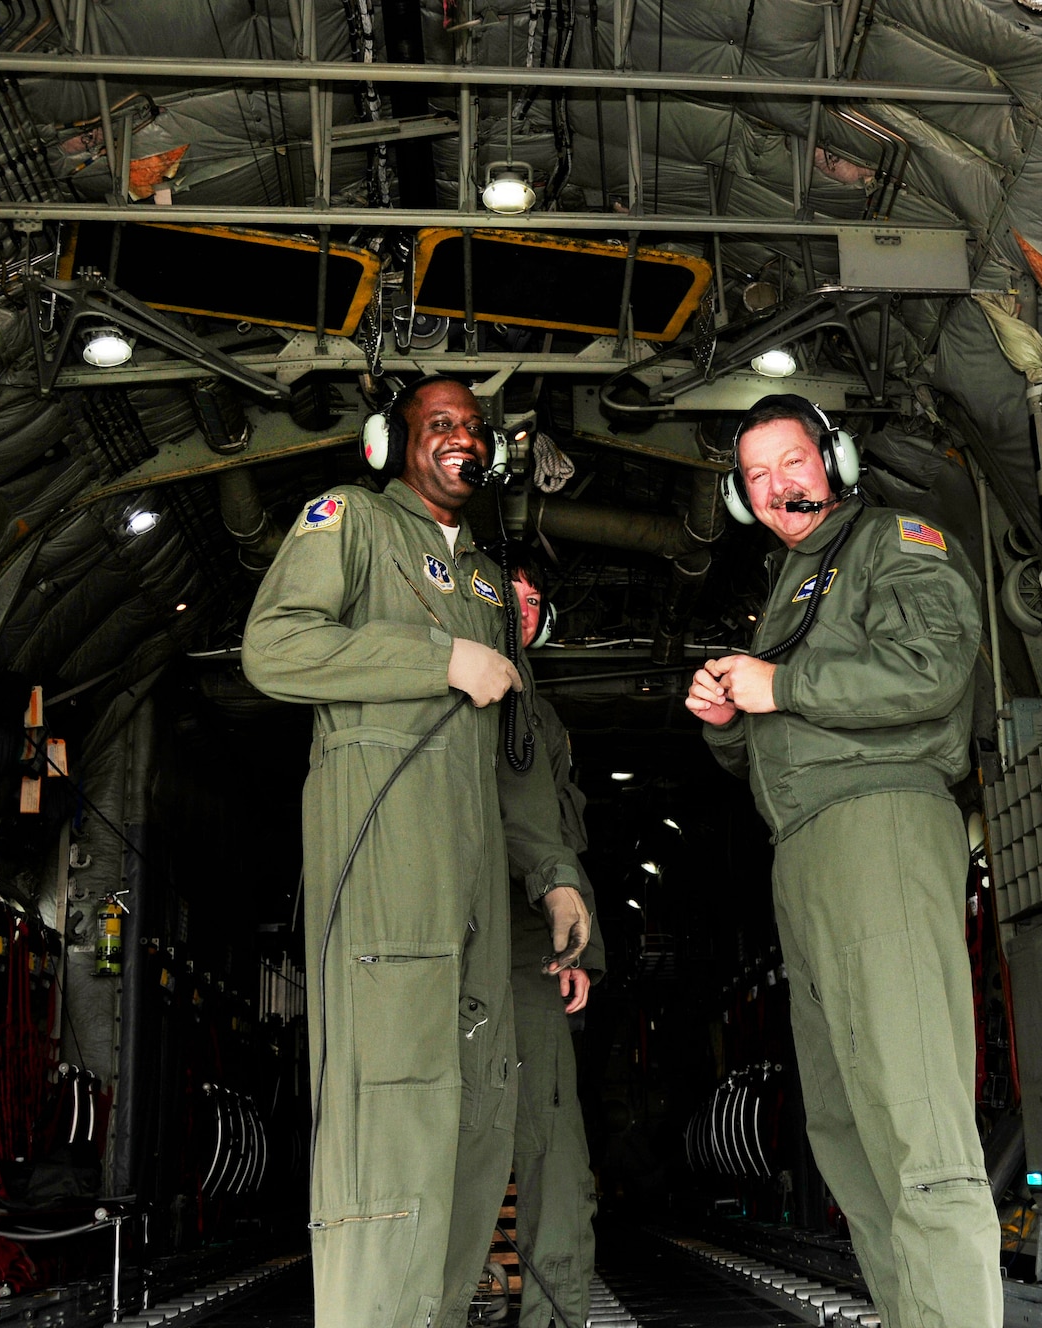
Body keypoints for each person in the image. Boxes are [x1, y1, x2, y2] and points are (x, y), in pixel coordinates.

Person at [242, 376, 591, 1328]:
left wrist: (555, 876)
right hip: (389, 879)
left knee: (475, 1134)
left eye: (474, 428)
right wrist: (435, 661)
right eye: (440, 424)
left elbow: (514, 761)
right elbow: (272, 649)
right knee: (388, 1134)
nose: (461, 439)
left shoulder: (485, 581)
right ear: (389, 442)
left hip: (479, 894)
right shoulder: (351, 521)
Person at [686, 394, 999, 1328]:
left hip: (883, 832)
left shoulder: (893, 542)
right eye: (757, 477)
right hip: (809, 852)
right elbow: (786, 739)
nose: (778, 487)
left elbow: (929, 671)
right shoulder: (794, 586)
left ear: (835, 459)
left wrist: (779, 682)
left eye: (792, 463)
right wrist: (730, 723)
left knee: (918, 1126)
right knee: (846, 1130)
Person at [503, 559, 605, 1328]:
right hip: (468, 932)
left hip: (536, 944)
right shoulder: (464, 685)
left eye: (539, 598)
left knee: (554, 1142)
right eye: (514, 594)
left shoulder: (542, 715)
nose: (528, 608)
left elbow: (562, 832)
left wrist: (583, 956)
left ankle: (553, 1317)